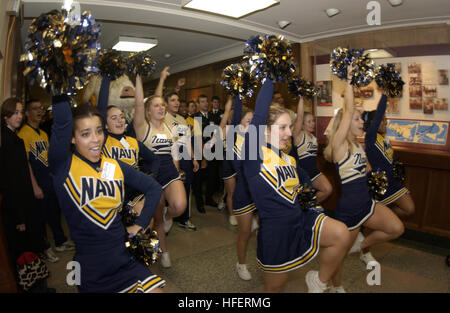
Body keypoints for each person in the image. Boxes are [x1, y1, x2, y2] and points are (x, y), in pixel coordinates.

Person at [241, 78, 351, 293]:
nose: (289, 133)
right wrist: (271, 75)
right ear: (263, 131)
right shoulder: (253, 156)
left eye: (289, 127)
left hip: (302, 220)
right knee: (275, 288)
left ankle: (318, 281)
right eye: (282, 128)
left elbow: (303, 190)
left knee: (341, 234)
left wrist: (311, 204)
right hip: (277, 232)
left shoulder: (289, 160)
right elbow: (260, 114)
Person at [49, 94, 164, 293]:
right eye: (85, 134)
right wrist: (60, 78)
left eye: (99, 131)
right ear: (72, 138)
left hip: (125, 259)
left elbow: (153, 188)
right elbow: (61, 121)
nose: (95, 140)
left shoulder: (114, 165)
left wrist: (140, 224)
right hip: (92, 270)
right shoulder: (63, 166)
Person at [323, 69, 404, 292]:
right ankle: (336, 286)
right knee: (338, 255)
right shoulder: (339, 145)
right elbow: (348, 111)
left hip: (367, 204)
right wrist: (349, 80)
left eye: (360, 118)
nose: (361, 121)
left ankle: (362, 245)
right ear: (345, 123)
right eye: (357, 118)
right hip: (349, 210)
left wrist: (374, 177)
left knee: (396, 228)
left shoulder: (358, 145)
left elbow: (366, 169)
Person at [134, 73, 187, 268]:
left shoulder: (167, 126)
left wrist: (177, 169)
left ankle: (167, 215)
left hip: (169, 171)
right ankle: (164, 252)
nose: (161, 107)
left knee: (180, 206)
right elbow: (140, 104)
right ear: (148, 112)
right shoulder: (142, 127)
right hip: (151, 175)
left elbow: (174, 151)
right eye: (156, 106)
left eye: (162, 105)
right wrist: (138, 76)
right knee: (155, 220)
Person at [96, 75, 160, 226]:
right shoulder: (102, 139)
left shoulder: (132, 142)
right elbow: (100, 108)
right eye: (113, 118)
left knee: (145, 222)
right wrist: (106, 76)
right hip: (110, 193)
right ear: (104, 125)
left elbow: (154, 159)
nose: (120, 120)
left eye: (122, 117)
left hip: (134, 192)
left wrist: (151, 176)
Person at [17, 99, 75, 263]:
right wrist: (35, 186)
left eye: (40, 108)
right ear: (27, 113)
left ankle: (60, 241)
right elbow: (26, 163)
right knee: (40, 217)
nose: (39, 111)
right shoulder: (23, 134)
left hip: (49, 179)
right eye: (35, 109)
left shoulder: (42, 133)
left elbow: (48, 157)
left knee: (54, 212)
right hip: (37, 181)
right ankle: (44, 248)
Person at [0, 98, 49, 290]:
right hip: (18, 209)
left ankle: (39, 285)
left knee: (32, 246)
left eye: (21, 112)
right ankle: (35, 287)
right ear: (5, 117)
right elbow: (10, 183)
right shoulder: (7, 141)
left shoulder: (13, 138)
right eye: (15, 113)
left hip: (24, 203)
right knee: (24, 251)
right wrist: (19, 217)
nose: (19, 116)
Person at [360, 93, 415, 264]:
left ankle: (367, 236)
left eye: (385, 120)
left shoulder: (384, 138)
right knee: (374, 220)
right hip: (380, 185)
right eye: (382, 121)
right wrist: (384, 93)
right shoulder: (370, 137)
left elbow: (387, 159)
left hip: (392, 183)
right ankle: (364, 250)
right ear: (373, 124)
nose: (385, 123)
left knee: (409, 209)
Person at [155, 68, 200, 231]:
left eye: (178, 100)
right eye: (173, 100)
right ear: (165, 105)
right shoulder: (164, 115)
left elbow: (188, 140)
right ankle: (166, 215)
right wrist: (170, 83)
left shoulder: (182, 118)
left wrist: (194, 158)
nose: (177, 103)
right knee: (171, 187)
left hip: (185, 155)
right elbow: (158, 97)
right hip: (170, 155)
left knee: (186, 187)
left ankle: (184, 218)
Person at [227, 96, 260, 281]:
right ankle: (241, 264)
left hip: (261, 192)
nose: (252, 125)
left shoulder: (259, 140)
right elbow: (237, 114)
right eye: (248, 121)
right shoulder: (235, 138)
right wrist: (238, 93)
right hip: (244, 192)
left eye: (253, 122)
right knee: (245, 233)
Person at [291, 96, 332, 203]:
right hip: (301, 174)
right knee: (302, 198)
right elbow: (299, 117)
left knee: (327, 189)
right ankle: (305, 208)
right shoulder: (298, 135)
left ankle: (309, 206)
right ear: (302, 125)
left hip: (314, 172)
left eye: (313, 121)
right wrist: (301, 98)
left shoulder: (314, 138)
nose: (313, 123)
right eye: (309, 122)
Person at [192, 94, 219, 212]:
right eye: (202, 102)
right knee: (198, 180)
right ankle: (200, 203)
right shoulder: (195, 117)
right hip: (200, 152)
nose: (205, 104)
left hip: (213, 151)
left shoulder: (213, 116)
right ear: (198, 104)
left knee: (212, 177)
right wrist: (202, 158)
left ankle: (209, 198)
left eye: (206, 101)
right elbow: (197, 138)